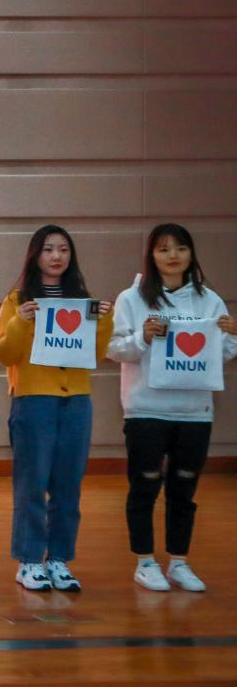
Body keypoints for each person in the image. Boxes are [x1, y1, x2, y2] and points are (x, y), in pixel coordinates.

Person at [105, 223, 236, 593]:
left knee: (184, 490)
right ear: (151, 255)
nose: (173, 255)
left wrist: (233, 334)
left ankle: (179, 561)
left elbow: (221, 355)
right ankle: (145, 562)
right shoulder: (131, 299)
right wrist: (143, 337)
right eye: (164, 249)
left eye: (181, 248)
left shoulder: (210, 300)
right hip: (146, 410)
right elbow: (113, 349)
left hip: (195, 412)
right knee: (144, 487)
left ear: (191, 254)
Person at [0, 224, 115, 592]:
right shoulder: (17, 300)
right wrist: (20, 321)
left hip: (76, 401)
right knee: (31, 485)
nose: (56, 256)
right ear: (35, 255)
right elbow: (4, 354)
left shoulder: (84, 301)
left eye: (63, 249)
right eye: (48, 249)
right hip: (33, 400)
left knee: (68, 485)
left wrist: (104, 321)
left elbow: (95, 354)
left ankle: (59, 558)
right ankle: (30, 560)